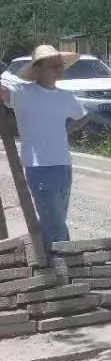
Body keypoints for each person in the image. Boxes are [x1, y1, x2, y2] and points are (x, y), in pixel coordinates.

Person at [0, 44, 86, 246]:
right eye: (53, 65)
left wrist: (66, 131)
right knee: (55, 226)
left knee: (56, 222)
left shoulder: (66, 96)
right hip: (40, 168)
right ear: (38, 69)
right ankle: (63, 269)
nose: (59, 69)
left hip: (64, 166)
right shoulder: (22, 93)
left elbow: (82, 116)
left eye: (60, 65)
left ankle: (51, 263)